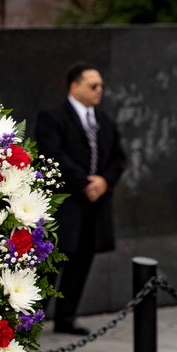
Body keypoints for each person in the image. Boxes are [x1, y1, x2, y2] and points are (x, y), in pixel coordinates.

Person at [35, 62, 126, 335]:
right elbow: (53, 154)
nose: (99, 90)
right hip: (65, 204)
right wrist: (85, 182)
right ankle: (33, 319)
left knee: (82, 261)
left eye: (101, 86)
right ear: (74, 86)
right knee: (51, 262)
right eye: (93, 85)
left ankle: (66, 317)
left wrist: (104, 181)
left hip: (95, 206)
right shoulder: (52, 117)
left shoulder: (105, 121)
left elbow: (118, 159)